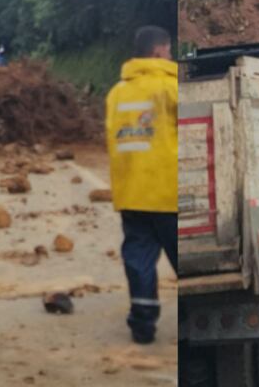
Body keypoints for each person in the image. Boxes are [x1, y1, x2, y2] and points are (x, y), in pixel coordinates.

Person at [105, 25, 178, 344]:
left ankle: (142, 326)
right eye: (170, 51)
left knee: (138, 261)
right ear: (159, 51)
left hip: (132, 195)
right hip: (168, 194)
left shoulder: (116, 93)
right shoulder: (169, 88)